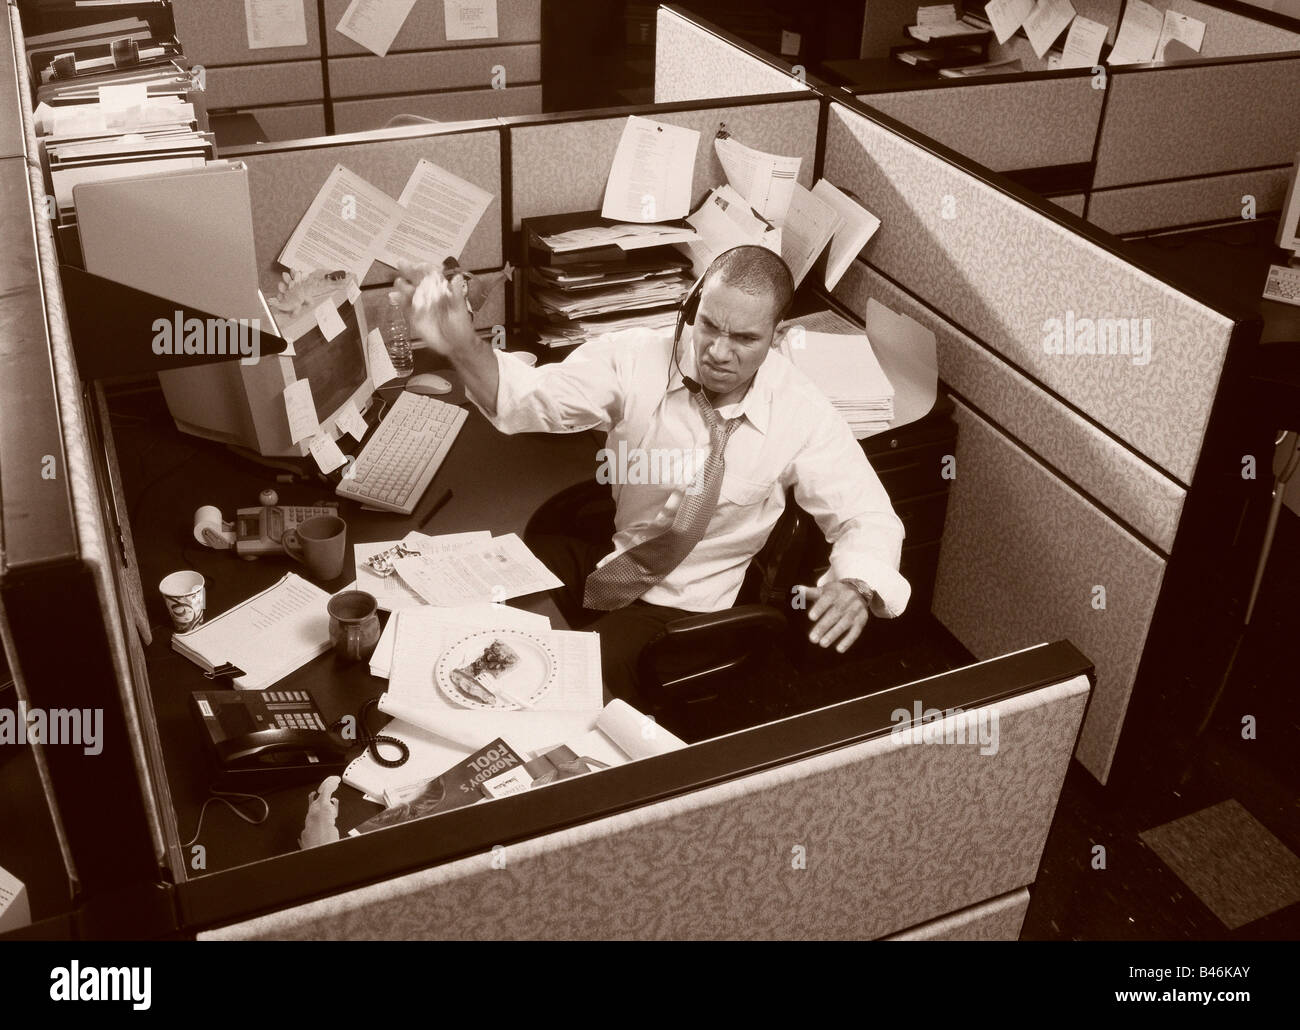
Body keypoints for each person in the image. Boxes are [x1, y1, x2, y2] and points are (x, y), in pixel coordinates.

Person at [394, 246, 909, 706]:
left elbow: (867, 515)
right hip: (616, 556)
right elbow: (529, 400)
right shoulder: (636, 357)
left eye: (745, 338)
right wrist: (461, 343)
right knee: (468, 583)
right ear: (692, 307)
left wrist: (857, 585)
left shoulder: (803, 411)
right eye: (708, 324)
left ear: (778, 337)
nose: (718, 351)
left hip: (688, 606)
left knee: (563, 693)